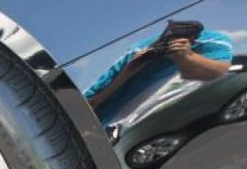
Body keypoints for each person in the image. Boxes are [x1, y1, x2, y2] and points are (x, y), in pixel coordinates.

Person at [85, 25, 233, 124]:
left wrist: (188, 55)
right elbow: (95, 97)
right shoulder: (142, 50)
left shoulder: (212, 43)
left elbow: (219, 69)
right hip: (102, 112)